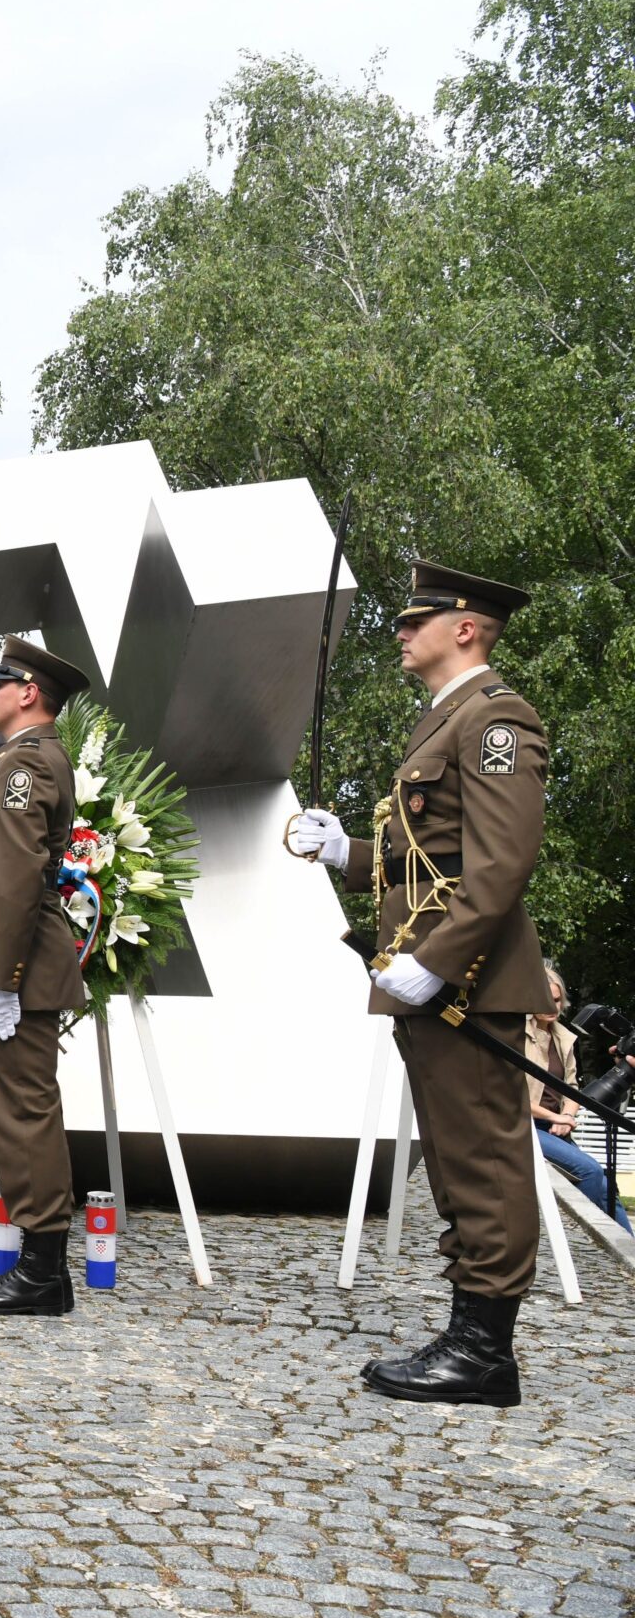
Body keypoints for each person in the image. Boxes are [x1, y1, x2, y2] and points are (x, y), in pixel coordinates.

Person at [288, 560, 547, 1407]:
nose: (401, 631)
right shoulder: (444, 720)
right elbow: (420, 861)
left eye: (417, 619)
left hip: (464, 978)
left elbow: (501, 864)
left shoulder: (495, 719)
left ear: (465, 627)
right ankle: (470, 1333)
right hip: (429, 973)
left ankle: (485, 1350)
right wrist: (346, 853)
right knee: (454, 1154)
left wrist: (438, 960)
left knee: (484, 1157)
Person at [0, 636, 91, 1317]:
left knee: (23, 1108)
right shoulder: (11, 760)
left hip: (15, 959)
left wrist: (1, 975)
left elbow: (19, 876)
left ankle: (42, 1271)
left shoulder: (27, 766)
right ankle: (42, 1266)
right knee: (16, 1104)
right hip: (6, 954)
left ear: (29, 692)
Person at [527, 963, 625, 1231]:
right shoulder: (517, 1036)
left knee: (606, 1187)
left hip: (554, 1126)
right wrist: (555, 1116)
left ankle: (628, 1253)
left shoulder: (564, 1038)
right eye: (545, 999)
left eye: (557, 1000)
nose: (552, 1006)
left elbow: (572, 1088)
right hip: (524, 1126)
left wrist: (567, 1116)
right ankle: (581, 1240)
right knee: (590, 1171)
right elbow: (513, 1096)